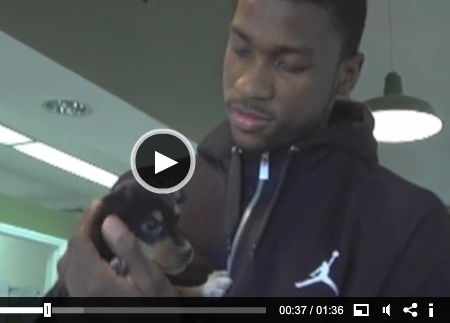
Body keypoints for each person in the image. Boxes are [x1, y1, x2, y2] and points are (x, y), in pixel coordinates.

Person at [51, 0, 450, 298]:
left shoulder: (413, 231)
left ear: (347, 74)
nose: (248, 86)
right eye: (241, 49)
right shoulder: (147, 194)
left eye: (289, 64)